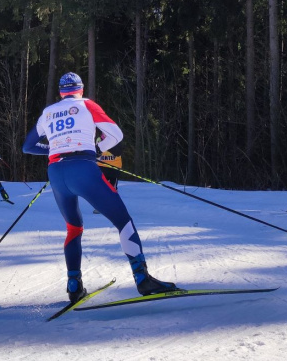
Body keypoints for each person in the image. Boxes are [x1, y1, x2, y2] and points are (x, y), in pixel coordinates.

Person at [22, 72, 177, 303]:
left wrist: (55, 148)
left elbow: (28, 146)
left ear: (61, 92)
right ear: (81, 90)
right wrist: (97, 147)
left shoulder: (48, 112)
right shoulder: (87, 105)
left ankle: (74, 285)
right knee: (123, 221)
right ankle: (142, 278)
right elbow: (116, 134)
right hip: (83, 169)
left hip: (56, 172)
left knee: (74, 228)